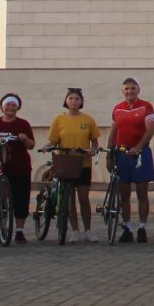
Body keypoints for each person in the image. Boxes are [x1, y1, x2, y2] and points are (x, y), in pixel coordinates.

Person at [47, 88, 101, 241]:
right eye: (70, 98)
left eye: (77, 98)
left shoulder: (88, 119)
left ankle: (88, 230)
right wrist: (47, 146)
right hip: (65, 163)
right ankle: (75, 231)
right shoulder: (59, 119)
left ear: (81, 102)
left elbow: (95, 140)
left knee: (83, 197)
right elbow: (53, 140)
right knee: (68, 198)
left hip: (83, 163)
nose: (74, 101)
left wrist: (92, 150)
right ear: (66, 101)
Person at [109, 77, 154, 242]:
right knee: (123, 194)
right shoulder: (117, 109)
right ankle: (127, 227)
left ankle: (142, 228)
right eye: (127, 89)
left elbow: (150, 131)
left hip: (140, 155)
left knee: (142, 193)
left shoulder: (146, 107)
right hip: (121, 155)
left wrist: (137, 147)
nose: (130, 91)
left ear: (138, 90)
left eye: (133, 88)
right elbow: (113, 132)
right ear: (123, 91)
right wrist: (110, 154)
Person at [0, 94, 36, 242]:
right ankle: (2, 230)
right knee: (0, 198)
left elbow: (32, 145)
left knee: (21, 198)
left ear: (18, 107)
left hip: (20, 167)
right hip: (0, 166)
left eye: (14, 105)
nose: (11, 108)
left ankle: (19, 231)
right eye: (8, 105)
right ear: (2, 106)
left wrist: (25, 139)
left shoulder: (23, 124)